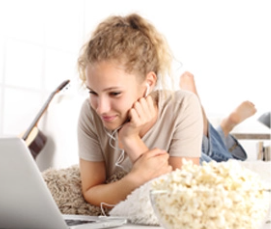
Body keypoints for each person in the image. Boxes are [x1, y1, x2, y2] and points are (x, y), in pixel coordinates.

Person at [76, 13, 255, 208]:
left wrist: (131, 140)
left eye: (115, 93)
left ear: (148, 83)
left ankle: (223, 128)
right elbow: (91, 192)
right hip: (183, 148)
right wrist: (133, 180)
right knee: (207, 150)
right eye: (93, 92)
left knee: (221, 163)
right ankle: (220, 130)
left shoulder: (182, 106)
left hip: (198, 157)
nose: (101, 108)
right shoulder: (89, 112)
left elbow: (180, 197)